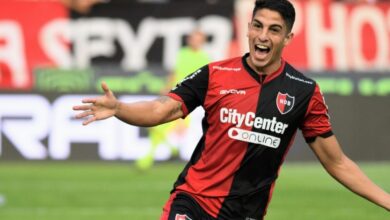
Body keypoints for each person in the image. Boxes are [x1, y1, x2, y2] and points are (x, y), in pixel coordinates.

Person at [73, 0, 390, 219]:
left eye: (274, 30)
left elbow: (337, 162)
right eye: (257, 26)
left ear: (288, 37)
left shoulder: (304, 92)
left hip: (246, 213)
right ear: (248, 28)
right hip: (193, 201)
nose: (263, 36)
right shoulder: (215, 74)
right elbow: (161, 111)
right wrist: (119, 108)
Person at [136, 29, 210, 170]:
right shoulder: (182, 53)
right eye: (193, 38)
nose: (194, 41)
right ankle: (166, 153)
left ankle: (151, 158)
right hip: (174, 94)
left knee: (165, 126)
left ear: (202, 41)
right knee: (157, 125)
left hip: (190, 100)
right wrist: (166, 87)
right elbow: (174, 73)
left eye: (198, 39)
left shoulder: (205, 58)